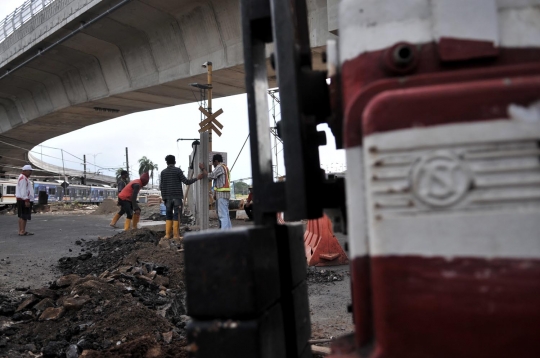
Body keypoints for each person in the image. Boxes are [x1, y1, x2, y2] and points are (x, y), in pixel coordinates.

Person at [160, 155, 203, 239]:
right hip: (177, 198)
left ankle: (167, 235)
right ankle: (176, 236)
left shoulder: (163, 172)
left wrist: (164, 198)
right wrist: (197, 178)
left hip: (167, 198)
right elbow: (186, 182)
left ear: (167, 162)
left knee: (168, 215)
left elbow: (162, 186)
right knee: (177, 215)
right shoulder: (177, 171)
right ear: (175, 162)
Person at [199, 154, 232, 229]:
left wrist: (203, 168)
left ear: (216, 161)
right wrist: (215, 193)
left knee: (222, 215)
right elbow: (218, 181)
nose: (213, 165)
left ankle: (224, 234)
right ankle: (229, 232)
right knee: (226, 214)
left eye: (213, 163)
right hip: (224, 194)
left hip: (222, 195)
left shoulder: (220, 167)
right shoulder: (225, 167)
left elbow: (211, 175)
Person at [16, 165, 34, 236]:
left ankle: (21, 230)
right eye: (30, 171)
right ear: (26, 171)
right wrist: (26, 200)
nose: (31, 172)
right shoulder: (23, 178)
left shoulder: (23, 177)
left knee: (22, 216)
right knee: (24, 216)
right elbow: (23, 190)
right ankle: (22, 231)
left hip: (21, 199)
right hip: (24, 199)